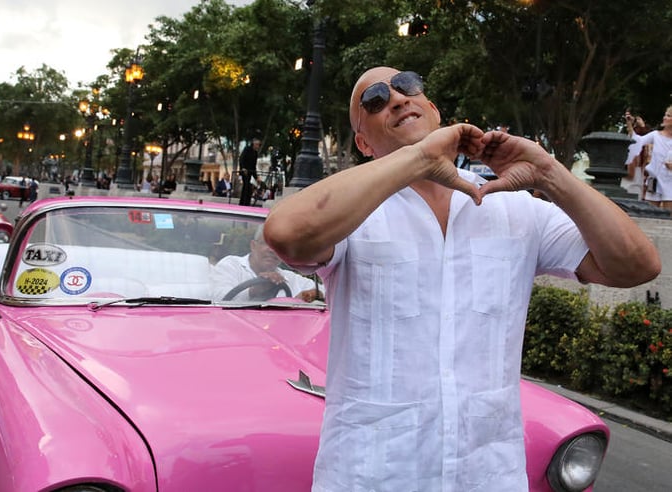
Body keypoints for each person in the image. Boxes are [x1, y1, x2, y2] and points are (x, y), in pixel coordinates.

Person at [263, 66, 660, 491]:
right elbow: (287, 234)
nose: (397, 100)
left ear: (434, 111)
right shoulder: (351, 213)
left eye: (408, 88)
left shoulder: (515, 208)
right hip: (372, 474)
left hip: (487, 475)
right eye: (375, 101)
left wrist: (549, 172)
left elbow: (636, 265)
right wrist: (417, 158)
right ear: (363, 143)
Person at [211, 226, 323, 302]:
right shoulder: (231, 265)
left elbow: (327, 292)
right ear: (253, 246)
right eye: (267, 243)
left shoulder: (289, 278)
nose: (272, 250)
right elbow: (218, 298)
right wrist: (254, 290)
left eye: (279, 247)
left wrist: (305, 298)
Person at [626, 107, 672, 207]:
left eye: (668, 116)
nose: (664, 118)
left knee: (669, 218)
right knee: (651, 213)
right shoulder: (655, 135)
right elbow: (637, 141)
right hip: (655, 182)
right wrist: (629, 125)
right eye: (665, 115)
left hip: (670, 182)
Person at [239, 138, 261, 206]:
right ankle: (243, 203)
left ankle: (247, 203)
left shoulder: (255, 153)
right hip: (244, 171)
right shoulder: (247, 149)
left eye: (258, 145)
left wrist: (256, 177)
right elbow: (241, 159)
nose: (258, 146)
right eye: (256, 144)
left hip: (250, 172)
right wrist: (243, 168)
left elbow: (253, 166)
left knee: (249, 188)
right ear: (253, 144)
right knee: (246, 186)